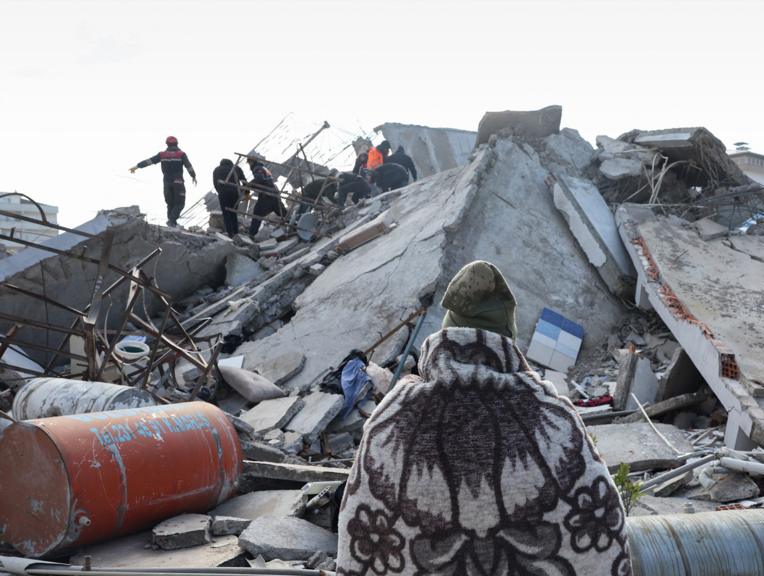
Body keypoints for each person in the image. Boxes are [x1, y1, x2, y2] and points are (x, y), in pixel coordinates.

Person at [335, 261, 631, 576]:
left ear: (445, 333)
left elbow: (360, 534)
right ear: (508, 338)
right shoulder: (553, 413)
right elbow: (605, 530)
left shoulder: (391, 417)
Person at [129, 136, 197, 227]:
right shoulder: (181, 154)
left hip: (167, 183)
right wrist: (193, 176)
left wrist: (137, 166)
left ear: (167, 144)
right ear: (177, 143)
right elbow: (189, 166)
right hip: (178, 182)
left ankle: (171, 223)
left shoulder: (162, 155)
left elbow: (149, 161)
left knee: (170, 203)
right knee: (180, 203)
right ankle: (172, 221)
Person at [246, 153, 284, 236]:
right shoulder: (263, 167)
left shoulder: (257, 168)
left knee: (257, 213)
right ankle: (295, 225)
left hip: (267, 195)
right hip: (273, 194)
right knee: (283, 213)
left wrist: (249, 184)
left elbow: (259, 179)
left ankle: (252, 234)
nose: (249, 165)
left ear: (251, 162)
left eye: (249, 163)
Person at [212, 159, 247, 237]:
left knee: (226, 213)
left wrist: (220, 192)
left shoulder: (217, 169)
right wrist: (243, 192)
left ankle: (230, 234)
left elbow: (215, 183)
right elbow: (244, 182)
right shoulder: (236, 168)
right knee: (233, 212)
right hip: (235, 193)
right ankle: (236, 233)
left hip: (223, 193)